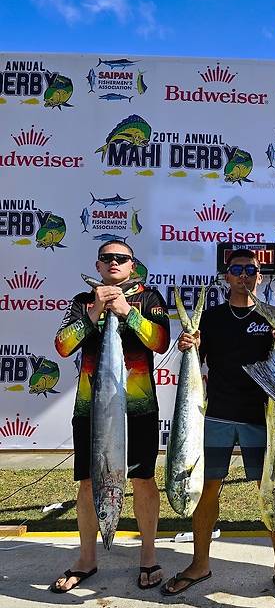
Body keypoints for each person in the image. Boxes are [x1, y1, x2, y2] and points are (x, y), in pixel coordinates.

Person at [161, 249, 275, 603]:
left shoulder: (274, 318)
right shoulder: (210, 318)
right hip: (218, 415)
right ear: (227, 276)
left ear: (260, 276)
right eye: (236, 270)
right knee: (207, 488)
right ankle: (199, 563)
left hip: (264, 416)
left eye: (250, 270)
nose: (243, 275)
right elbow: (197, 359)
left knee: (273, 490)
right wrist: (188, 345)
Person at [50, 241, 170, 593]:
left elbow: (160, 341)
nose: (114, 263)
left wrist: (126, 312)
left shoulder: (150, 300)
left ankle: (148, 556)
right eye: (108, 259)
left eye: (122, 259)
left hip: (139, 410)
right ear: (98, 266)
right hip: (92, 411)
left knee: (143, 480)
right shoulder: (81, 302)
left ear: (133, 266)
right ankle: (87, 559)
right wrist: (95, 313)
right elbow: (62, 345)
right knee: (88, 482)